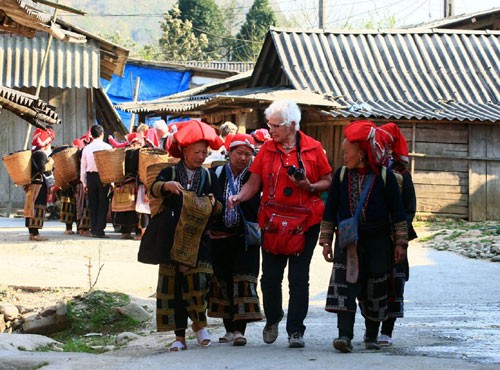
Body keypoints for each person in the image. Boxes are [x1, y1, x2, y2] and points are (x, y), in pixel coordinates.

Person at [228, 99, 332, 348]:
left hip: (305, 221)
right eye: (269, 124)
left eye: (276, 125)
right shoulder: (266, 149)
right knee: (270, 277)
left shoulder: (313, 148)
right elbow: (254, 182)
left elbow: (328, 180)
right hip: (273, 221)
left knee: (298, 277)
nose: (271, 130)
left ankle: (296, 330)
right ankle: (273, 318)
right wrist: (239, 197)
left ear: (292, 125)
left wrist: (310, 186)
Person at [319, 120, 408, 353]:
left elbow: (398, 213)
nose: (344, 157)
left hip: (378, 243)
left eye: (347, 153)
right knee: (346, 287)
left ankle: (371, 335)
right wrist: (326, 240)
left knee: (374, 289)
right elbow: (330, 210)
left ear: (362, 154)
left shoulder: (386, 178)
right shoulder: (340, 177)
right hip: (347, 242)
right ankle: (344, 336)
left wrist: (400, 243)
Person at [143, 119, 223, 352]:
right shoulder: (170, 171)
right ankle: (179, 337)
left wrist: (211, 204)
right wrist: (166, 185)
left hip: (199, 239)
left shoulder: (209, 177)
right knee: (175, 288)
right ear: (185, 151)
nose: (201, 156)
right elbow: (153, 188)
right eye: (197, 151)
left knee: (199, 282)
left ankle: (200, 326)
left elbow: (218, 206)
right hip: (171, 238)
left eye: (204, 152)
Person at [208, 133, 263, 346]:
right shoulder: (215, 173)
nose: (243, 158)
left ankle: (240, 330)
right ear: (229, 153)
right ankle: (228, 329)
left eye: (248, 154)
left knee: (244, 281)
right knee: (223, 281)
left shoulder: (255, 176)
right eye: (239, 153)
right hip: (219, 238)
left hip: (246, 239)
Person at [377, 122, 418, 346]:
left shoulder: (401, 174)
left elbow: (409, 207)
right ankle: (370, 327)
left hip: (395, 238)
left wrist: (399, 234)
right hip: (372, 236)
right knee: (370, 281)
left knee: (394, 283)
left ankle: (387, 331)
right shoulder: (369, 170)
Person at [79, 124, 112, 238]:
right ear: (102, 134)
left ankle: (94, 229)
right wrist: (112, 181)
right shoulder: (107, 147)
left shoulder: (86, 148)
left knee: (93, 204)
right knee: (103, 203)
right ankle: (99, 230)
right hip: (103, 177)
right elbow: (110, 165)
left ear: (91, 135)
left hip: (90, 178)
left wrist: (84, 182)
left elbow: (83, 167)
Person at [24, 127, 56, 241]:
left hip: (31, 183)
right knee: (37, 207)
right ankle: (35, 233)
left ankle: (32, 233)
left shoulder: (32, 152)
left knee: (30, 206)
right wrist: (51, 163)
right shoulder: (41, 154)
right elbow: (43, 169)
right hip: (39, 185)